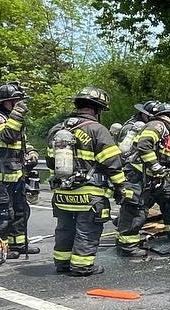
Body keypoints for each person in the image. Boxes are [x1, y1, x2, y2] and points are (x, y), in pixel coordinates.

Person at [46, 86, 128, 277]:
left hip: (62, 194)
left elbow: (51, 161)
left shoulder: (58, 129)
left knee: (65, 229)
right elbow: (112, 163)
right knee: (87, 230)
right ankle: (82, 266)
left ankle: (63, 263)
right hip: (90, 195)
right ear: (95, 110)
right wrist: (121, 188)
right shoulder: (97, 130)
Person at [113, 101, 170, 258]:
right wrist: (155, 166)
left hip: (156, 178)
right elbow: (144, 145)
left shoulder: (168, 133)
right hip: (138, 177)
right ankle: (127, 246)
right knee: (136, 210)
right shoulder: (157, 125)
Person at [0, 81, 39, 255]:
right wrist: (18, 113)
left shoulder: (12, 120)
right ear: (5, 102)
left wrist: (32, 153)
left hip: (13, 176)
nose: (20, 105)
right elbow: (8, 136)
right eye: (16, 102)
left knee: (20, 211)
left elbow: (21, 143)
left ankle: (17, 244)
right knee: (1, 215)